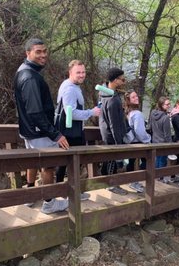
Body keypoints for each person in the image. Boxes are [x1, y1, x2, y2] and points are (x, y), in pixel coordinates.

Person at [14, 38, 70, 214]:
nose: (43, 55)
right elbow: (35, 112)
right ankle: (49, 202)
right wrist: (56, 134)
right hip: (39, 131)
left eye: (45, 51)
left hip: (28, 130)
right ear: (27, 53)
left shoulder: (23, 71)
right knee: (48, 166)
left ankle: (30, 195)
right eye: (38, 51)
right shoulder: (30, 77)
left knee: (32, 161)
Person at [54, 60, 101, 199]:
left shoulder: (71, 85)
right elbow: (71, 113)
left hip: (70, 131)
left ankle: (65, 193)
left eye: (83, 72)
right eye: (78, 72)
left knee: (67, 164)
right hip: (70, 132)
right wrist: (91, 112)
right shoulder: (69, 89)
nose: (82, 75)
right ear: (70, 73)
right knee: (72, 163)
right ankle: (68, 194)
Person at [99, 67, 128, 195]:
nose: (124, 82)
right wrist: (119, 142)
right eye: (122, 79)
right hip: (111, 135)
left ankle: (106, 182)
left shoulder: (105, 93)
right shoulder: (111, 99)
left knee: (109, 160)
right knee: (113, 160)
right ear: (115, 80)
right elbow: (114, 124)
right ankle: (111, 185)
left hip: (106, 132)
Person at [123, 90, 151, 193]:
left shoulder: (128, 113)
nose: (136, 98)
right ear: (129, 100)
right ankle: (134, 182)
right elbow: (139, 131)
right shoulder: (137, 114)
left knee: (131, 161)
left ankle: (130, 181)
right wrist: (147, 139)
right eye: (133, 97)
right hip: (137, 142)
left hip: (130, 141)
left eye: (136, 96)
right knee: (147, 161)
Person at [150, 96, 172, 182]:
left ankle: (155, 178)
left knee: (156, 160)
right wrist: (170, 145)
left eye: (169, 104)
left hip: (155, 141)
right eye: (167, 104)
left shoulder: (152, 113)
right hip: (163, 143)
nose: (169, 106)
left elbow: (150, 127)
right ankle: (160, 179)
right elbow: (167, 134)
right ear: (161, 105)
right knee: (162, 161)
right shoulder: (165, 118)